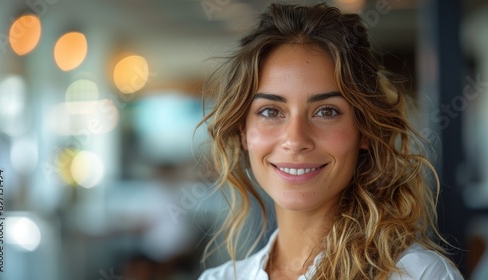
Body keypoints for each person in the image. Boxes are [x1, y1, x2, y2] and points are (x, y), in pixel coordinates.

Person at [197, 3, 464, 279]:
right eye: (271, 111)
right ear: (243, 132)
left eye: (326, 111)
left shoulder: (417, 274)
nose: (296, 139)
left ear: (364, 131)